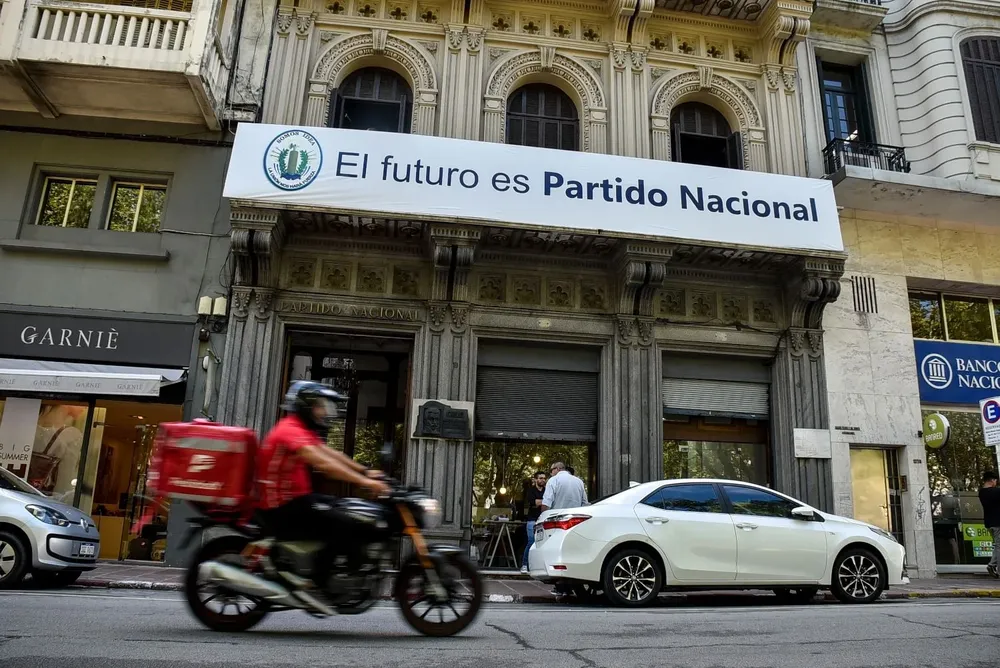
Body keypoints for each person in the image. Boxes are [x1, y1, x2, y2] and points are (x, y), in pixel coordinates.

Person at [255, 381, 390, 589]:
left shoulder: (301, 429)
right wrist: (365, 482)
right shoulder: (290, 430)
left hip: (298, 499)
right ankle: (319, 581)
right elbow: (324, 464)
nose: (324, 412)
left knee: (346, 508)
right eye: (320, 406)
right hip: (282, 507)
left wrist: (365, 471)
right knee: (343, 523)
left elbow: (332, 454)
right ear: (306, 406)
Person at [541, 462, 587, 597]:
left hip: (557, 521)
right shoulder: (579, 482)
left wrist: (542, 518)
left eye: (551, 470)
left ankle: (561, 586)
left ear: (557, 469)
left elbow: (546, 502)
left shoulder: (553, 480)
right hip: (575, 522)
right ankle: (573, 584)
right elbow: (585, 503)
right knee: (573, 554)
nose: (550, 473)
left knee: (557, 555)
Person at [521, 471, 547, 574]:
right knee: (531, 542)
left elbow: (542, 502)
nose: (543, 480)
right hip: (532, 519)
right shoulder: (531, 490)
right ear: (536, 479)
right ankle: (524, 565)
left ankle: (538, 566)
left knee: (543, 543)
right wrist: (545, 501)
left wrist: (540, 502)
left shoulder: (547, 490)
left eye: (544, 478)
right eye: (540, 478)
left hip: (544, 519)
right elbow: (533, 502)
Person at [980, 470, 1000, 578]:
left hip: (989, 523)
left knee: (997, 545)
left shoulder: (981, 492)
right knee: (999, 546)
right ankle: (995, 568)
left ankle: (992, 565)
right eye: (996, 481)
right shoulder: (996, 491)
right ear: (992, 480)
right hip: (998, 523)